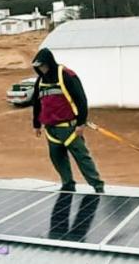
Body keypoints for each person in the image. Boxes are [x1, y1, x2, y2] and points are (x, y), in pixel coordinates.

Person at [30, 48, 105, 193]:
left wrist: (80, 123)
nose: (40, 69)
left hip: (69, 128)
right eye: (38, 66)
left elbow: (81, 99)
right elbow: (37, 103)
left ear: (49, 63)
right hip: (51, 129)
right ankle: (67, 184)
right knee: (57, 158)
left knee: (82, 157)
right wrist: (36, 124)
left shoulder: (66, 75)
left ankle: (97, 185)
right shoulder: (40, 81)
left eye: (42, 65)